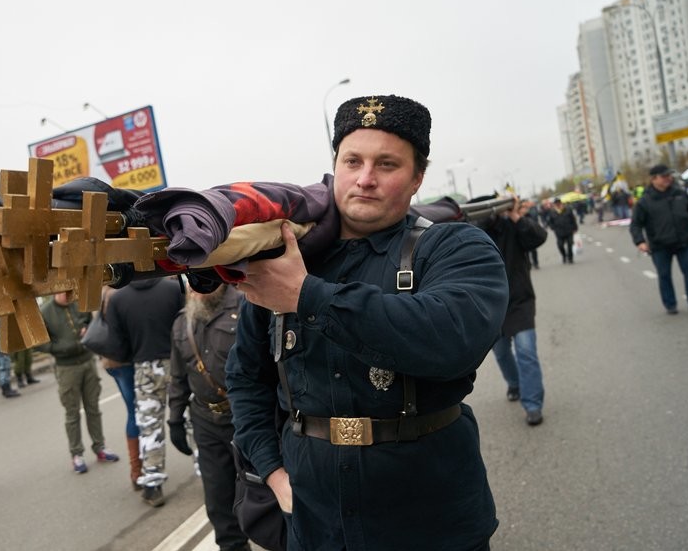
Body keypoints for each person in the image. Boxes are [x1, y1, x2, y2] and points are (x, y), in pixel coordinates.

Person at [226, 94, 508, 549]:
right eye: (352, 161)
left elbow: (449, 339)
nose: (365, 179)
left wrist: (306, 296)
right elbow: (245, 378)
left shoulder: (455, 247)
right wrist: (273, 472)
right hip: (315, 524)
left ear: (417, 178)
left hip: (432, 522)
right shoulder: (286, 260)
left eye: (387, 164)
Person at [169, 284, 250, 551]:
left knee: (264, 493)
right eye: (191, 281)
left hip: (246, 420)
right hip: (205, 421)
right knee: (218, 499)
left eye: (202, 279)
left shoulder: (246, 307)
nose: (194, 288)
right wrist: (175, 419)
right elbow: (178, 376)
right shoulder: (182, 322)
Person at [106, 277, 184, 506]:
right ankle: (208, 474)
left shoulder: (118, 299)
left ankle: (152, 485)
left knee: (150, 426)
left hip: (145, 367)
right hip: (178, 362)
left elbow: (117, 346)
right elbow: (187, 324)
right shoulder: (174, 289)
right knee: (193, 418)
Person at [39, 290, 120, 473]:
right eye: (63, 292)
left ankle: (100, 447)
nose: (67, 295)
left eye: (69, 291)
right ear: (55, 290)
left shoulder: (78, 303)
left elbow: (92, 322)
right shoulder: (46, 311)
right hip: (66, 368)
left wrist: (87, 330)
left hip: (87, 362)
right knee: (72, 413)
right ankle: (77, 454)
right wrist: (57, 347)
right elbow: (39, 341)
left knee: (93, 408)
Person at [484, 198, 549, 426]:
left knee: (526, 350)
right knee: (501, 351)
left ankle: (532, 404)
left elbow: (539, 237)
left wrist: (516, 216)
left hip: (520, 300)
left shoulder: (514, 226)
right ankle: (514, 383)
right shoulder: (477, 231)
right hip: (492, 304)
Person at [630, 164, 688, 315]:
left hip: (684, 240)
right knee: (664, 275)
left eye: (669, 175)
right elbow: (636, 224)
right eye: (664, 176)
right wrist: (640, 241)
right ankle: (670, 304)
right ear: (654, 179)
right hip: (660, 245)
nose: (668, 178)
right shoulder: (645, 201)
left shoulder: (679, 193)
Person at [95, 285, 141, 489]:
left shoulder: (101, 290)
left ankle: (138, 468)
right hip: (124, 360)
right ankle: (137, 470)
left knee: (134, 410)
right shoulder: (116, 292)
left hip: (111, 361)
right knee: (136, 412)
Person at [549, 198, 578, 264]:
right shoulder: (552, 212)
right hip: (559, 232)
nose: (558, 205)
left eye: (559, 203)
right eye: (556, 204)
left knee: (570, 244)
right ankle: (564, 256)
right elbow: (550, 222)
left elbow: (573, 219)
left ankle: (570, 258)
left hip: (569, 230)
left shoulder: (568, 210)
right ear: (555, 205)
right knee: (560, 245)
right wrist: (553, 227)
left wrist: (575, 228)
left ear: (561, 203)